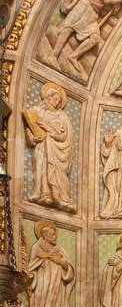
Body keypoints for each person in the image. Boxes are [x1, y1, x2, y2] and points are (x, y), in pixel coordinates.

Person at [23, 81, 74, 211]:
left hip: (57, 151)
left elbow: (64, 137)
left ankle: (60, 198)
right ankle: (44, 194)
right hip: (41, 148)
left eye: (59, 100)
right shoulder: (38, 112)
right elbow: (30, 129)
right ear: (48, 97)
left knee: (56, 173)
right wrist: (33, 138)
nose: (57, 102)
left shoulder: (62, 116)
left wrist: (48, 128)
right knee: (41, 169)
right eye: (55, 99)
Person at [27, 220, 75, 307]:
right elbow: (31, 267)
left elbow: (69, 268)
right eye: (51, 235)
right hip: (42, 283)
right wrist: (31, 277)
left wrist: (61, 262)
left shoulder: (59, 249)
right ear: (44, 236)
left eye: (55, 234)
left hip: (57, 286)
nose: (55, 237)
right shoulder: (37, 248)